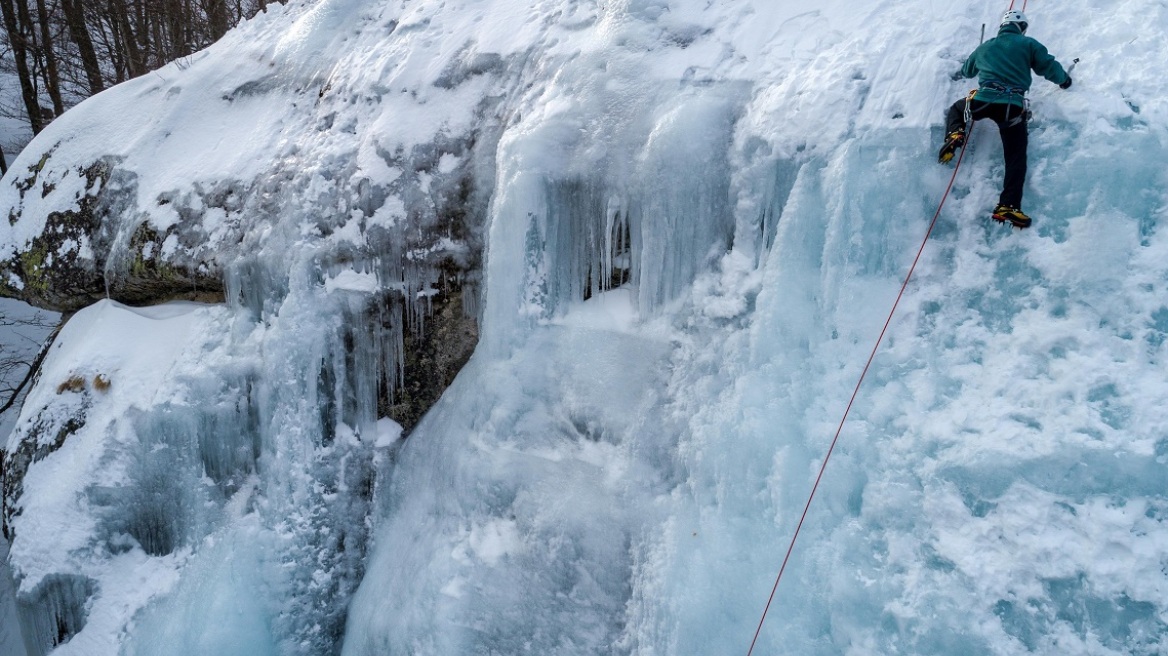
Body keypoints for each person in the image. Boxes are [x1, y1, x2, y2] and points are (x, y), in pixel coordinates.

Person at [938, 10, 1072, 228]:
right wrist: (1064, 81)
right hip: (1011, 107)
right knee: (1015, 157)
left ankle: (956, 133)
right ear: (1021, 27)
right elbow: (1048, 66)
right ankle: (1008, 205)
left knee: (957, 109)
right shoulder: (1028, 44)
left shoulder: (986, 46)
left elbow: (967, 71)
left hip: (982, 100)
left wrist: (981, 54)